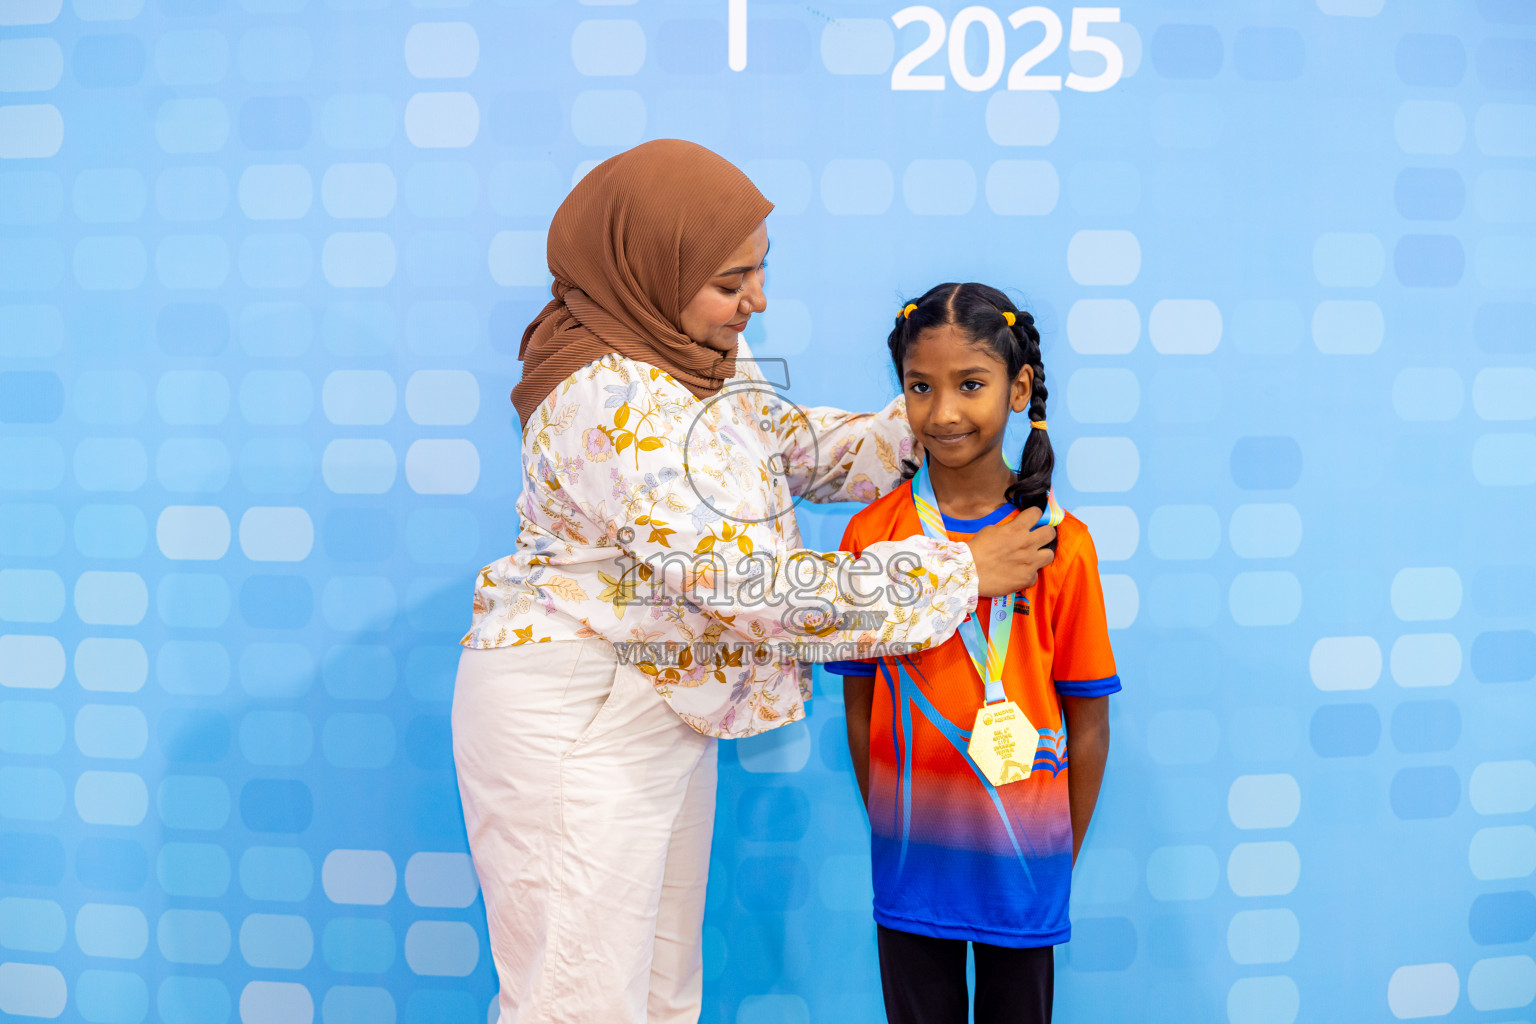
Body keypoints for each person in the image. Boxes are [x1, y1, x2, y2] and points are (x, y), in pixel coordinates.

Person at [450, 143, 1060, 1023]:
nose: (758, 300)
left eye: (761, 270)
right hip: (577, 718)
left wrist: (930, 415)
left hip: (655, 704)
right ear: (652, 269)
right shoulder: (610, 400)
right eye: (732, 280)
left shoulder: (685, 353)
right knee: (574, 1002)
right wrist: (960, 570)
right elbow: (758, 591)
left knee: (658, 996)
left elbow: (789, 447)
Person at [830, 282, 1121, 1024]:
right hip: (911, 863)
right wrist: (897, 827)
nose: (944, 412)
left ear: (1019, 388)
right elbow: (859, 708)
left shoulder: (1061, 543)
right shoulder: (874, 536)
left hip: (1024, 868)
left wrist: (1053, 856)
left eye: (971, 384)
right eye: (920, 387)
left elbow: (1088, 723)